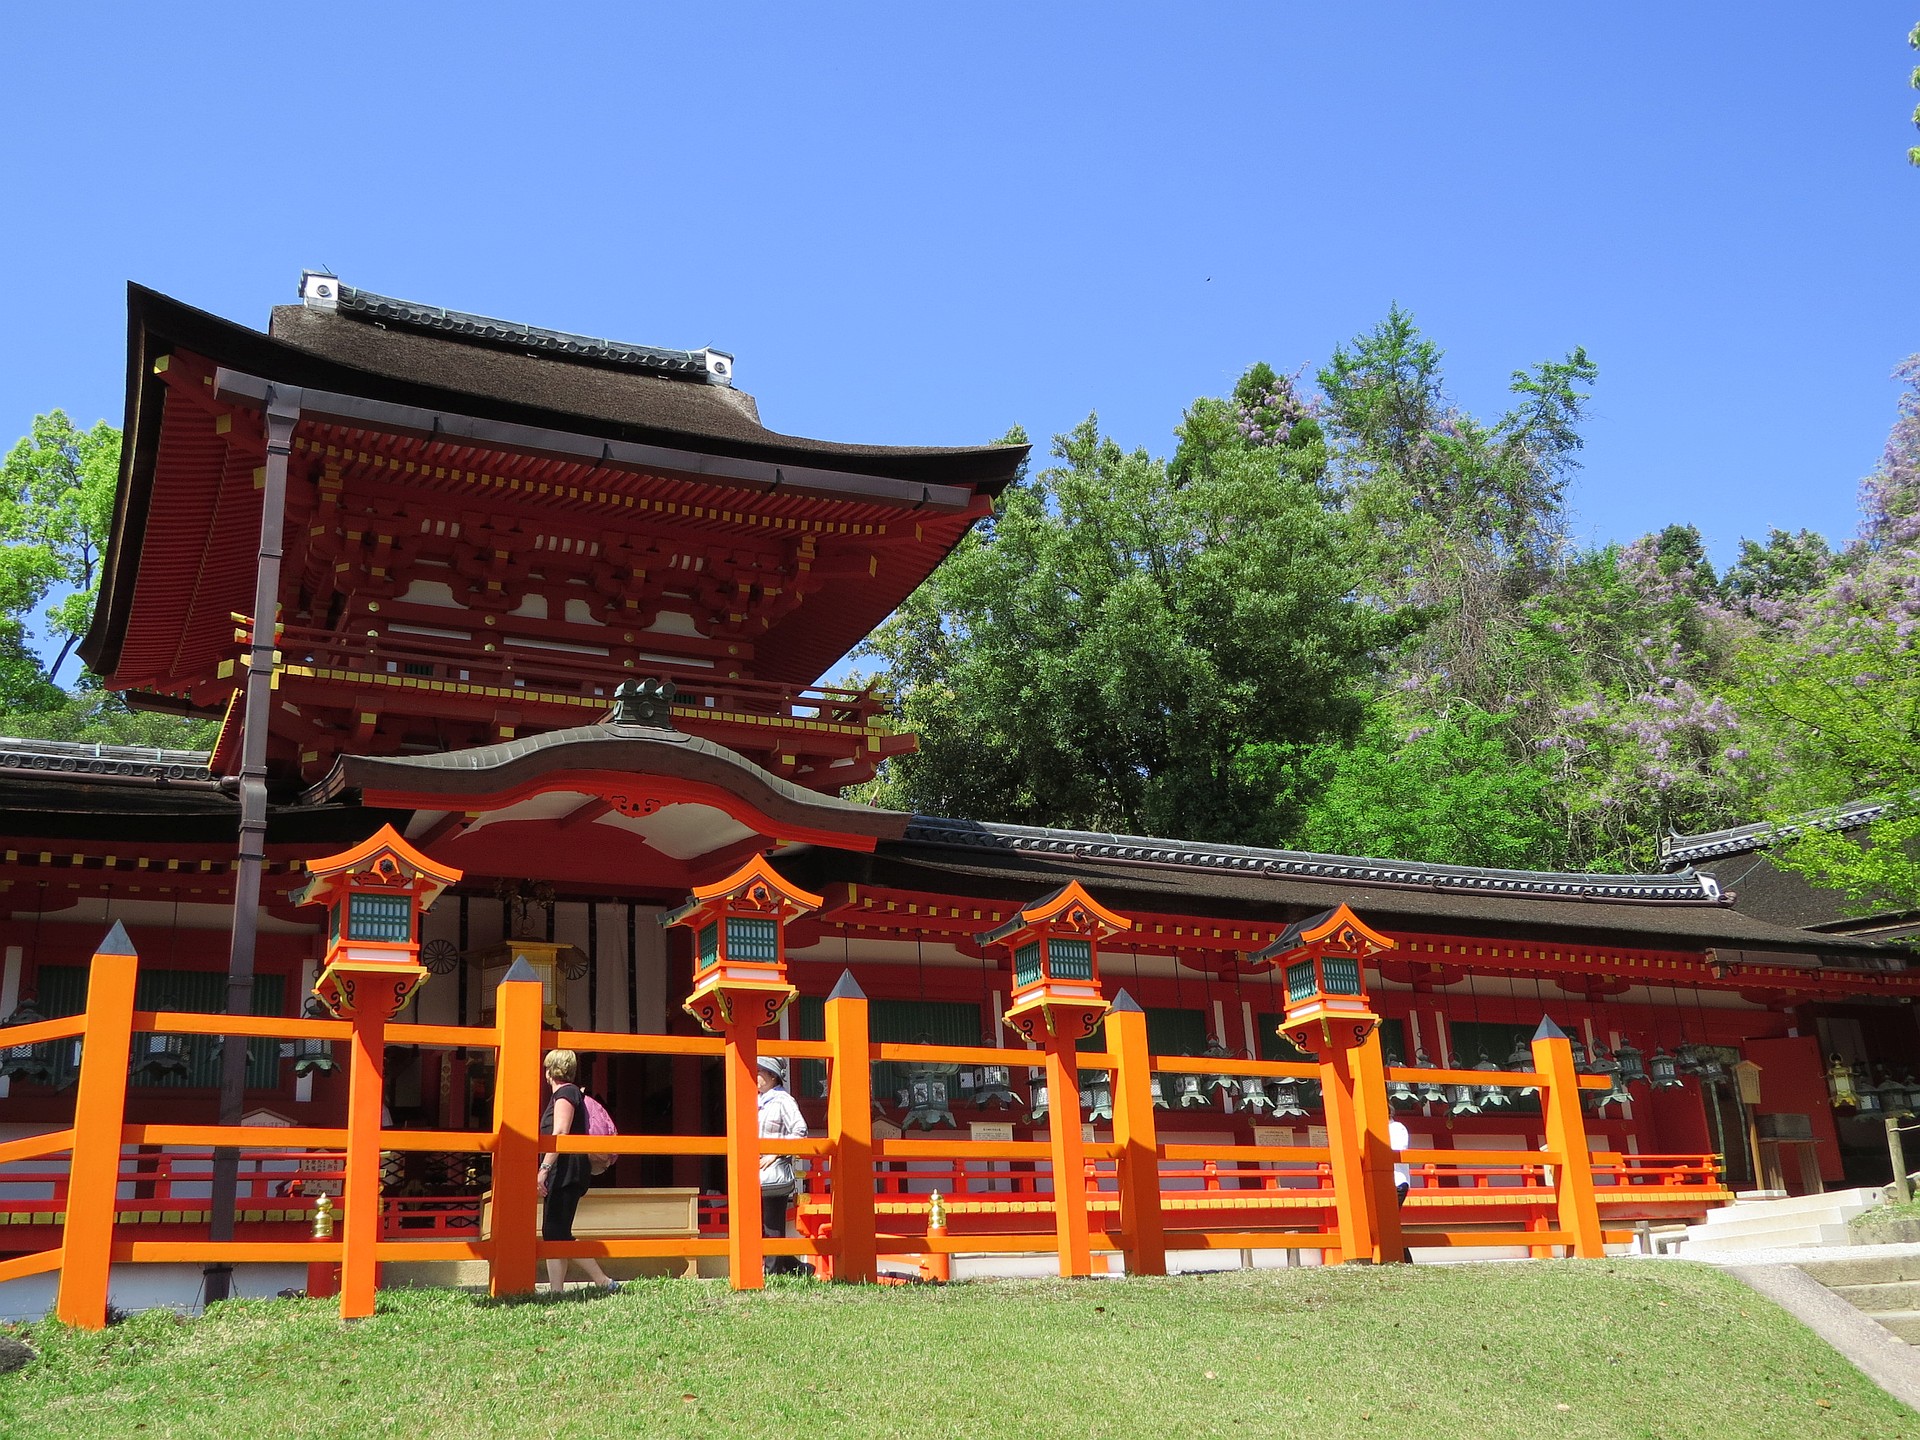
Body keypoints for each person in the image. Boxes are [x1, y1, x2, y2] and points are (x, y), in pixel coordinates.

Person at [537, 1048, 618, 1297]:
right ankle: (557, 1291)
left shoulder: (565, 1093)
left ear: (550, 1071)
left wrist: (544, 1168)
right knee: (554, 1232)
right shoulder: (570, 1093)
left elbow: (560, 1133)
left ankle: (603, 1280)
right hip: (567, 1171)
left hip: (565, 1171)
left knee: (556, 1233)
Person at [755, 1056, 809, 1277]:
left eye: (759, 1071)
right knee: (756, 1220)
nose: (756, 1075)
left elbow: (800, 1130)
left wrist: (775, 1153)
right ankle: (795, 1267)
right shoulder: (756, 1100)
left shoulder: (783, 1100)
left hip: (773, 1168)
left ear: (771, 1076)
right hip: (753, 1167)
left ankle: (773, 1271)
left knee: (772, 1221)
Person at [1389, 1117, 1414, 1264]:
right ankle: (1401, 1259)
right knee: (1387, 1222)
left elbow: (1398, 1151)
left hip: (1397, 1182)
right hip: (1378, 1181)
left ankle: (1404, 1259)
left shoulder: (1397, 1128)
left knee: (1389, 1220)